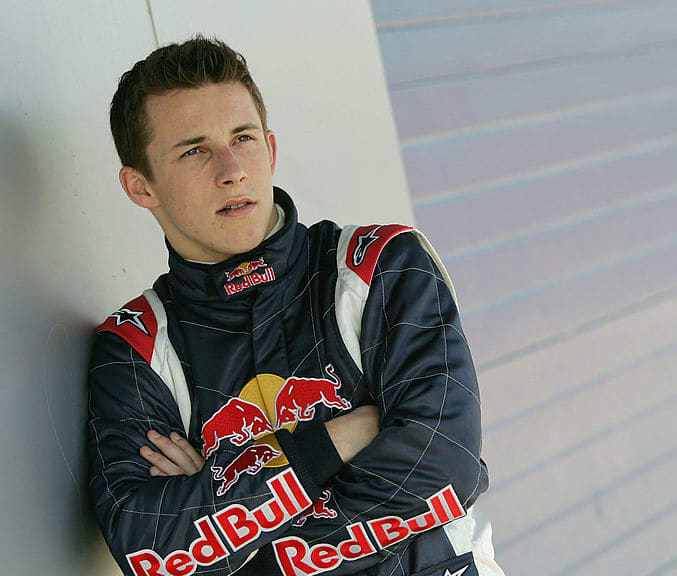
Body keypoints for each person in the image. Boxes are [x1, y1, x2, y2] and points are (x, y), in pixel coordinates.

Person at [87, 35, 502, 576]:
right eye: (194, 150)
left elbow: (444, 467)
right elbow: (150, 550)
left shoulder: (380, 266)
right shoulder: (136, 347)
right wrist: (341, 438)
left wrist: (227, 519)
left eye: (244, 138)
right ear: (141, 187)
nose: (232, 169)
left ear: (272, 149)